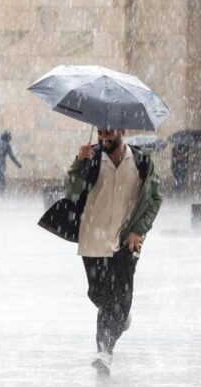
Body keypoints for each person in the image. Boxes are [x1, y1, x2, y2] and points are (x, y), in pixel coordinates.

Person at [64, 127, 162, 376]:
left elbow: (155, 199)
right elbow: (72, 192)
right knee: (99, 295)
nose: (103, 138)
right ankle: (120, 315)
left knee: (117, 298)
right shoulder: (92, 158)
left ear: (122, 132)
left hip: (125, 242)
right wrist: (79, 163)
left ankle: (104, 350)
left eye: (109, 133)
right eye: (100, 133)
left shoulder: (141, 162)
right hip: (93, 240)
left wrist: (138, 230)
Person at [0, 130, 22, 196]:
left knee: (0, 180)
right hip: (0, 165)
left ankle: (0, 195)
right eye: (9, 138)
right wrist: (18, 164)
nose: (9, 140)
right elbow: (12, 156)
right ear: (7, 138)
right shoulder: (6, 145)